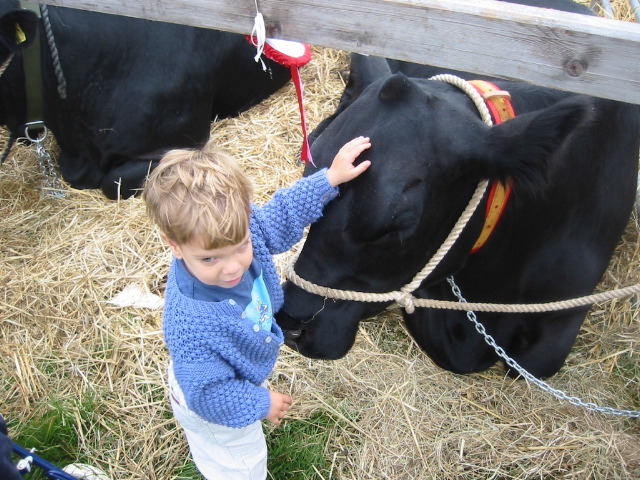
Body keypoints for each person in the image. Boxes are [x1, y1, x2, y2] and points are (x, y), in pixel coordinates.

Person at [142, 136, 371, 480]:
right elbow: (209, 395)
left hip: (227, 375)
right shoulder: (193, 325)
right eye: (210, 258)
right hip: (208, 400)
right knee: (240, 464)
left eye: (241, 246)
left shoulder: (243, 228)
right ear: (174, 246)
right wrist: (260, 404)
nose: (233, 267)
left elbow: (281, 214)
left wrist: (331, 178)